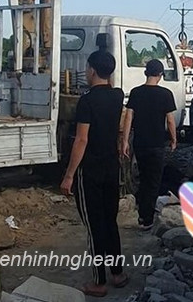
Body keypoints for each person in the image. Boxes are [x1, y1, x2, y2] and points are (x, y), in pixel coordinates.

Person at [60, 50, 129, 296]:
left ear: (91, 70)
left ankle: (99, 282)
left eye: (88, 68)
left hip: (90, 170)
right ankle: (117, 273)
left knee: (94, 225)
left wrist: (69, 175)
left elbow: (82, 140)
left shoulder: (87, 101)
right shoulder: (117, 96)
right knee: (110, 220)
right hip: (111, 167)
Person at [120, 59, 177, 231]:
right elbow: (170, 120)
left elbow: (128, 117)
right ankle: (147, 218)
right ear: (160, 75)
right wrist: (173, 139)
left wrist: (125, 141)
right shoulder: (166, 94)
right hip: (157, 143)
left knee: (144, 178)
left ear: (146, 72)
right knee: (154, 180)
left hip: (140, 143)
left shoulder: (136, 92)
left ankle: (142, 214)